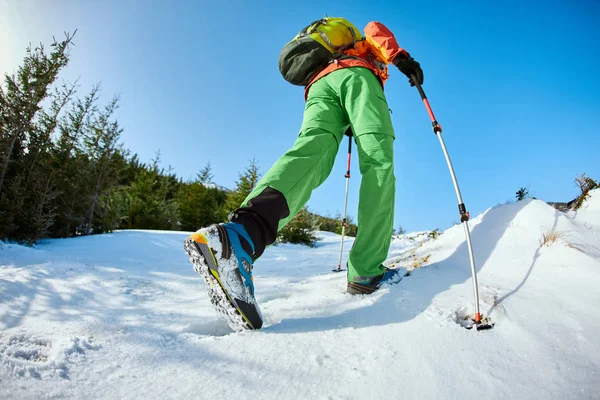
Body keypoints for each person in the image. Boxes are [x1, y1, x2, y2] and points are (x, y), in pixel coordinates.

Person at [183, 19, 424, 330]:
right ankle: (367, 270)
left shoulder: (325, 58)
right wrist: (401, 58)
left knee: (311, 152)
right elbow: (374, 28)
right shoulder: (364, 53)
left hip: (319, 87)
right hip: (356, 77)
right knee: (378, 162)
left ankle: (240, 236)